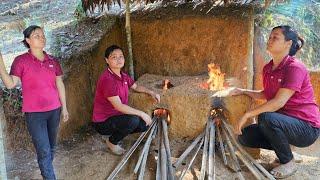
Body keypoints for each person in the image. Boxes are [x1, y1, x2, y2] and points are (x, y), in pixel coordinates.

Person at [229, 25, 320, 178]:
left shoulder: (295, 67)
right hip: (285, 123)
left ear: (288, 43)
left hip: (306, 128)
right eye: (270, 37)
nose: (269, 40)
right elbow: (267, 93)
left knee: (265, 117)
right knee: (245, 136)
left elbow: (278, 102)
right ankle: (285, 150)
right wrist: (244, 91)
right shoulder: (268, 68)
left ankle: (288, 161)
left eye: (275, 37)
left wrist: (248, 114)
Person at [0, 25, 68, 180]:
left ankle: (46, 171)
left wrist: (64, 108)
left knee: (51, 147)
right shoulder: (21, 61)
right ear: (28, 40)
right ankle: (50, 176)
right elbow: (11, 84)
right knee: (44, 149)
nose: (42, 37)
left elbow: (60, 85)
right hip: (35, 114)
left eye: (43, 35)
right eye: (37, 35)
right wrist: (1, 65)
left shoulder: (53, 61)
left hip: (54, 110)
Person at [92, 45, 160, 155]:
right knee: (133, 120)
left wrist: (151, 92)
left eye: (121, 56)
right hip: (103, 122)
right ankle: (111, 142)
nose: (119, 59)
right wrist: (142, 113)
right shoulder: (107, 80)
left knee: (144, 125)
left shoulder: (123, 76)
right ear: (107, 60)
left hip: (116, 117)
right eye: (114, 57)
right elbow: (119, 106)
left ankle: (112, 134)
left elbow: (136, 87)